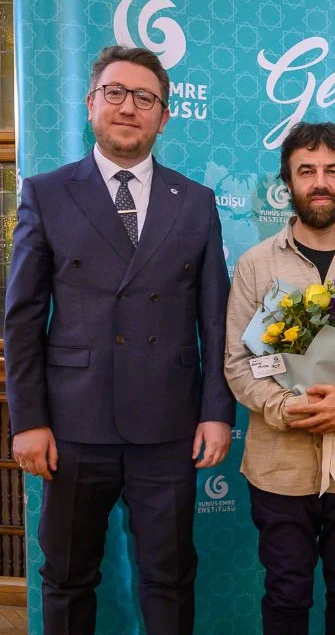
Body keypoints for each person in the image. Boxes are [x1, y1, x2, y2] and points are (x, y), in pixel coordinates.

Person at [4, 45, 234, 635]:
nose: (129, 107)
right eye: (115, 93)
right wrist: (28, 420)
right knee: (67, 577)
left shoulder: (196, 200)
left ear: (164, 116)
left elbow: (216, 318)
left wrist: (216, 412)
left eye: (145, 98)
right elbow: (22, 318)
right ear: (91, 104)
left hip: (169, 426)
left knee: (170, 578)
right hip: (72, 425)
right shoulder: (47, 192)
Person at [224, 122, 335, 635]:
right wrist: (287, 408)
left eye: (333, 170)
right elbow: (238, 363)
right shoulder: (255, 265)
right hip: (279, 465)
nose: (321, 182)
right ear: (288, 181)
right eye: (307, 171)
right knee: (286, 594)